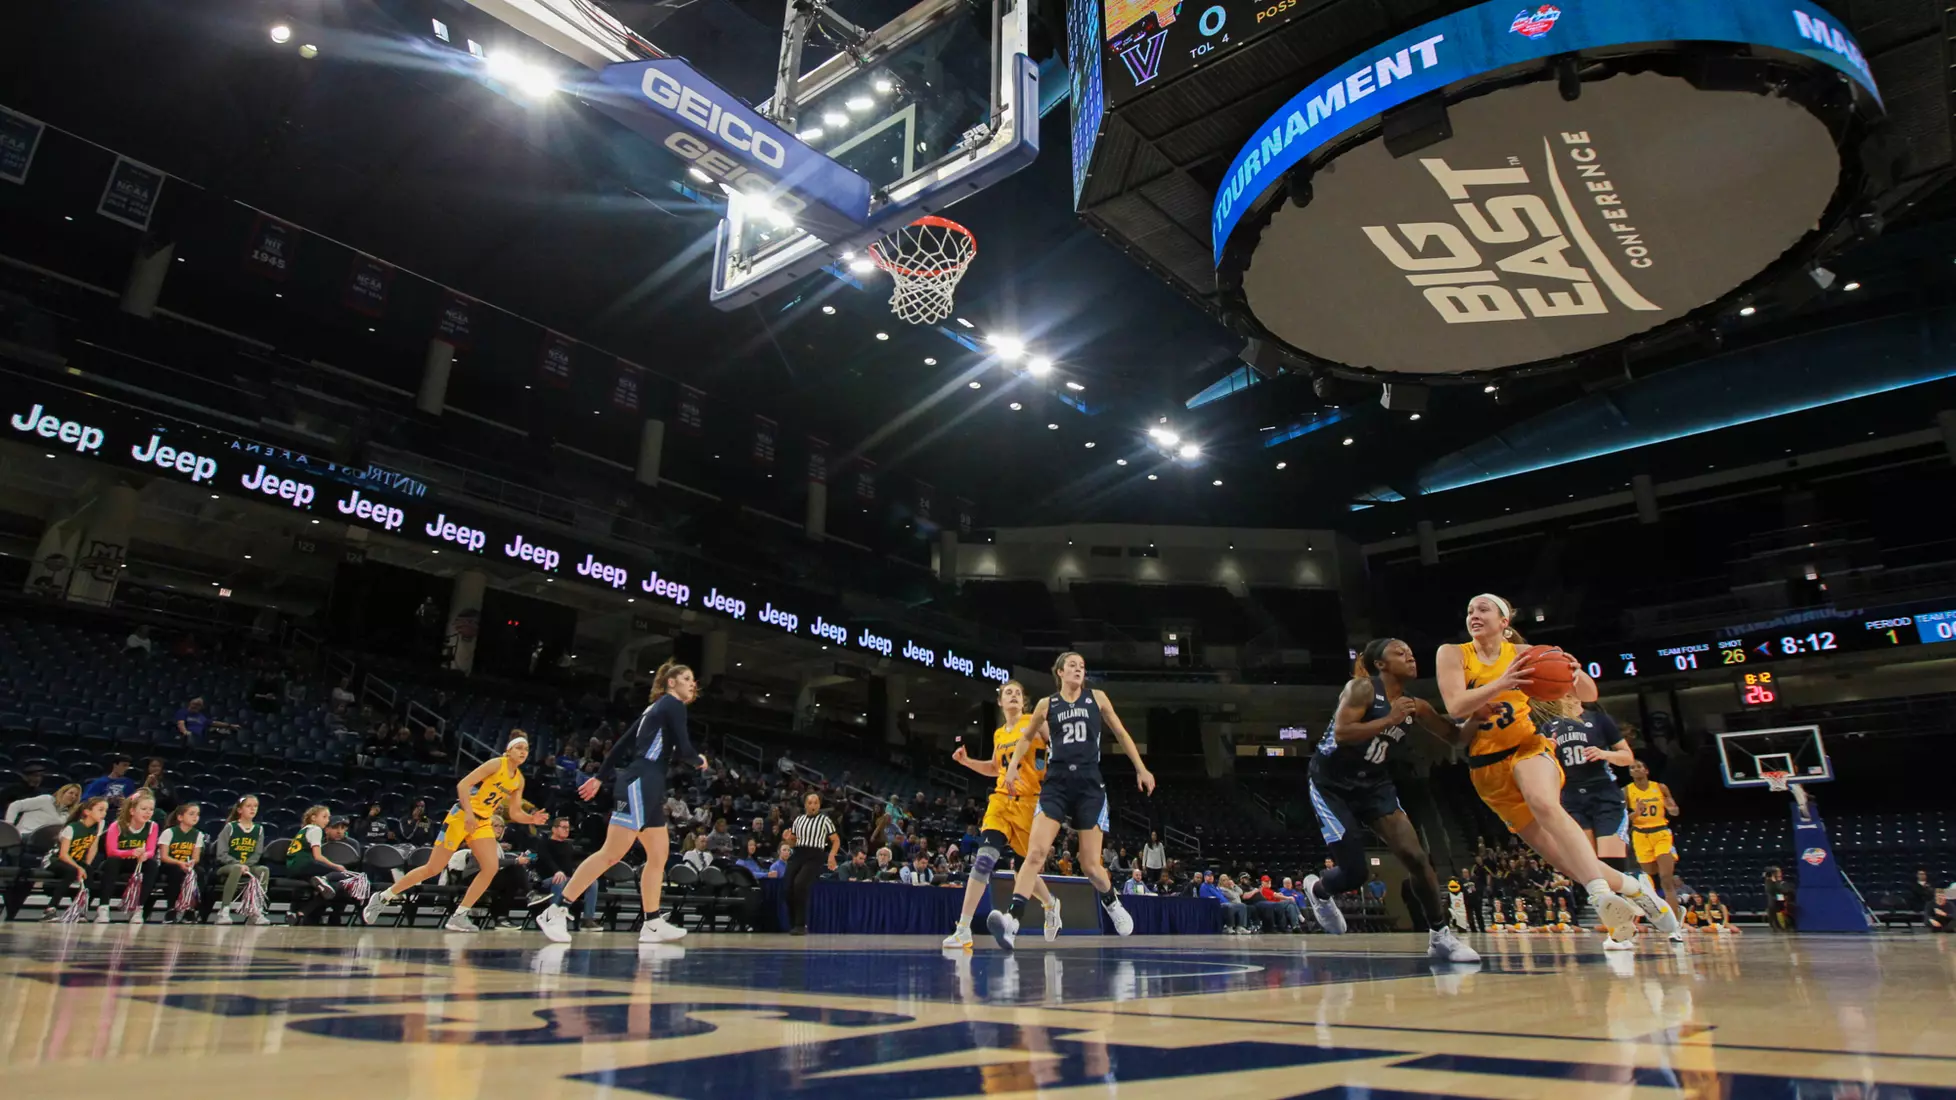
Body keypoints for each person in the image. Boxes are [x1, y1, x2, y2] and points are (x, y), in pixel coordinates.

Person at [1435, 594, 1675, 945]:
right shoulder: (1452, 653)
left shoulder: (1525, 654)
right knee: (1565, 863)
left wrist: (1574, 673)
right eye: (1470, 609)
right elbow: (1456, 706)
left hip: (1528, 747)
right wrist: (1504, 682)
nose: (1474, 614)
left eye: (1483, 609)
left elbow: (1589, 694)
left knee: (1544, 802)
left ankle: (1598, 895)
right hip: (1486, 768)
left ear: (1504, 622)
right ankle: (1637, 890)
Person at [1300, 637, 1478, 962]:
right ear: (1380, 664)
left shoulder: (1417, 705)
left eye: (1411, 651)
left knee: (1416, 857)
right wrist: (1388, 720)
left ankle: (1440, 936)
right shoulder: (1362, 689)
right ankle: (1319, 890)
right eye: (1400, 652)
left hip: (1375, 785)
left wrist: (1478, 715)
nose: (1410, 655)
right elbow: (1342, 732)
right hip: (1331, 784)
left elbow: (1454, 737)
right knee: (1356, 873)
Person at [989, 652, 1155, 950]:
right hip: (1056, 784)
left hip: (1090, 785)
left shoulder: (1098, 698)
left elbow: (1121, 732)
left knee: (1090, 865)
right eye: (1073, 666)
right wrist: (1012, 766)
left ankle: (1111, 901)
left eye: (1082, 666)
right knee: (1035, 854)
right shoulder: (1046, 704)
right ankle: (1012, 921)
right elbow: (1026, 738)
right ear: (1060, 672)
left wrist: (1141, 768)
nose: (1079, 669)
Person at [534, 661, 709, 945]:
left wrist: (600, 778)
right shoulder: (673, 705)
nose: (692, 683)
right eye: (686, 678)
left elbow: (620, 746)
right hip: (641, 784)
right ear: (671, 682)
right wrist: (698, 759)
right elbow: (686, 748)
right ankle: (556, 910)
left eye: (693, 680)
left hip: (648, 785)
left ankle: (652, 922)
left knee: (659, 855)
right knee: (611, 854)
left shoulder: (653, 709)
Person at [363, 733, 549, 932]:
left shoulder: (518, 780)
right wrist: (469, 814)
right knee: (433, 868)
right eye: (519, 748)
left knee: (491, 867)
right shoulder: (496, 764)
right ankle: (384, 897)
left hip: (483, 821)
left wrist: (531, 819)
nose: (523, 752)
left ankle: (459, 915)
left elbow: (513, 812)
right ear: (508, 750)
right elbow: (463, 785)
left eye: (526, 749)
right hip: (461, 816)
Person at [943, 680, 1064, 949]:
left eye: (1018, 693)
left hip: (1030, 803)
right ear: (999, 701)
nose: (1013, 696)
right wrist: (967, 762)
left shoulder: (1035, 721)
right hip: (1000, 801)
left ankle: (1050, 903)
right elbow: (994, 768)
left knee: (1025, 869)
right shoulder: (999, 735)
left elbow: (1058, 746)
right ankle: (963, 929)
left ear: (1024, 702)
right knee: (984, 860)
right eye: (1008, 692)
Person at [1540, 697, 1637, 948]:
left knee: (1610, 860)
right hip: (1571, 798)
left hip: (1604, 795)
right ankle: (1616, 926)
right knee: (1589, 864)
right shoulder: (1548, 726)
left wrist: (1604, 753)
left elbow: (1627, 756)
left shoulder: (1599, 720)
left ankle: (1627, 917)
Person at [1626, 758, 1685, 944]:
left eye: (1638, 766)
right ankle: (1668, 913)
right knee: (1649, 878)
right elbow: (1624, 819)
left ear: (1646, 770)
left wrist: (1671, 808)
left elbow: (1675, 812)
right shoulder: (1626, 791)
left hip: (1660, 833)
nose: (1635, 769)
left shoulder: (1660, 787)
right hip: (1640, 835)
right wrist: (1636, 812)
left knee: (1666, 879)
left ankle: (1675, 928)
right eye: (1632, 768)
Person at [96, 789, 161, 923]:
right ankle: (103, 908)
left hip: (137, 862)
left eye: (151, 809)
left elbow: (151, 850)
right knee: (112, 861)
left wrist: (145, 855)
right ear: (132, 811)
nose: (148, 812)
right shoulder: (117, 825)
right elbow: (111, 851)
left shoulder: (152, 826)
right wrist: (130, 852)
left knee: (152, 864)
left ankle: (138, 908)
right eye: (143, 809)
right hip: (119, 861)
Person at [40, 796, 108, 922]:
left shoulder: (99, 825)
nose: (104, 813)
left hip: (75, 860)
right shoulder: (72, 828)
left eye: (105, 810)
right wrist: (78, 868)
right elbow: (63, 855)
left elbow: (93, 848)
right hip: (54, 860)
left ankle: (80, 910)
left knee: (89, 871)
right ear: (87, 812)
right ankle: (50, 910)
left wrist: (85, 866)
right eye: (100, 810)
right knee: (72, 871)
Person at [212, 795, 272, 925]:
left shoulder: (259, 829)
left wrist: (246, 865)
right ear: (239, 810)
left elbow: (257, 853)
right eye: (248, 806)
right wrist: (238, 864)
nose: (253, 809)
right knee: (237, 868)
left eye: (255, 806)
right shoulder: (231, 827)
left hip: (248, 866)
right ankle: (224, 911)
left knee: (263, 870)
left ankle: (256, 911)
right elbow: (221, 854)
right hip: (226, 866)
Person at [785, 791, 840, 934]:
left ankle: (800, 924)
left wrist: (831, 856)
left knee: (800, 884)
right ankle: (793, 923)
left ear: (819, 805)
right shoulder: (798, 820)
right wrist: (787, 839)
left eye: (816, 803)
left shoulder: (824, 820)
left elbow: (835, 840)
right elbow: (792, 842)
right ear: (805, 805)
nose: (813, 805)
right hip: (798, 853)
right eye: (810, 803)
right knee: (787, 886)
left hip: (815, 855)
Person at [534, 816, 599, 928]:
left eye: (568, 828)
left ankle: (588, 919)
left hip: (568, 880)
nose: (566, 830)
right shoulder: (544, 843)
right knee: (560, 879)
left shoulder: (568, 845)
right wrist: (557, 871)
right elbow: (547, 859)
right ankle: (551, 917)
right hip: (547, 880)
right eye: (563, 827)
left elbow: (578, 858)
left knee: (592, 882)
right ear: (554, 829)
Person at [155, 802, 205, 924]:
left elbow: (196, 857)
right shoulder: (169, 832)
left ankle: (190, 909)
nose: (195, 817)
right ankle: (172, 909)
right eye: (191, 814)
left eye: (197, 814)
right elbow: (164, 857)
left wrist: (191, 863)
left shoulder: (198, 834)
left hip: (188, 865)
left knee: (200, 873)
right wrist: (179, 863)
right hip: (170, 864)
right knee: (176, 872)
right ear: (180, 817)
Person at [7, 781, 79, 836]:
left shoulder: (66, 815)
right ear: (62, 792)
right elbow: (16, 805)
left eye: (76, 795)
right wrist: (9, 827)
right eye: (71, 793)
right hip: (25, 834)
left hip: (44, 842)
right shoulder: (46, 800)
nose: (73, 797)